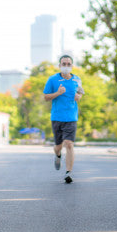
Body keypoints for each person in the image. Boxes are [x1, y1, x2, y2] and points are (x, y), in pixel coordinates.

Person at [43, 55, 84, 183]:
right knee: (58, 146)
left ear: (72, 66)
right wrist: (58, 93)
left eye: (68, 64)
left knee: (69, 144)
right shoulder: (52, 79)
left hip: (71, 117)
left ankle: (68, 172)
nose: (66, 66)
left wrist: (78, 96)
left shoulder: (77, 79)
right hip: (57, 117)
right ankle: (57, 154)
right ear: (60, 65)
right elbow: (46, 97)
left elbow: (80, 93)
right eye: (64, 64)